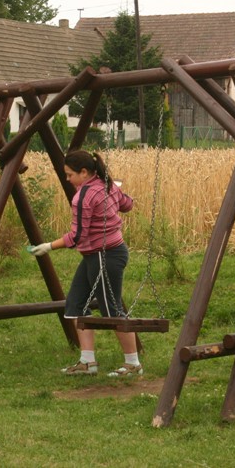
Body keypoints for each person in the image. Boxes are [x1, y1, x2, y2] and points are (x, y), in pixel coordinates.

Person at [28, 150, 141, 377]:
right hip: (97, 254)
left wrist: (48, 246)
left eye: (70, 175)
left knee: (111, 309)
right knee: (75, 304)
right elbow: (128, 205)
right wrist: (114, 192)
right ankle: (87, 362)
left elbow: (77, 236)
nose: (67, 179)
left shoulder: (83, 197)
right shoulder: (107, 185)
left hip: (106, 255)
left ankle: (133, 363)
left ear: (84, 172)